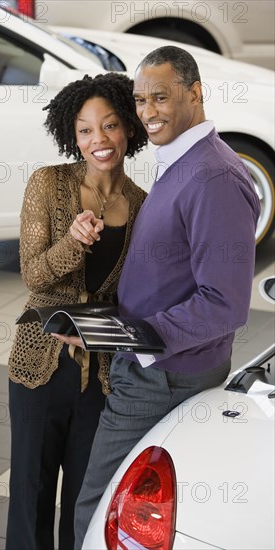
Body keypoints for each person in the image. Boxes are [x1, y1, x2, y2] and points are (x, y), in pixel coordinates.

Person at [64, 46, 261, 547]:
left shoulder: (213, 177)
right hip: (157, 362)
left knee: (97, 503)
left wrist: (143, 336)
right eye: (140, 100)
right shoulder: (185, 160)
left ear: (195, 95)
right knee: (135, 506)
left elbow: (225, 302)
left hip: (162, 374)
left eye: (160, 97)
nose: (147, 112)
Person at [5, 72, 148, 550]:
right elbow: (33, 276)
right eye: (85, 130)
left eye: (109, 126)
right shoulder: (46, 184)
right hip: (39, 366)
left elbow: (136, 296)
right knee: (31, 493)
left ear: (129, 127)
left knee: (88, 498)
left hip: (102, 371)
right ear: (72, 134)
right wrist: (72, 242)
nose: (98, 140)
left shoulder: (143, 206)